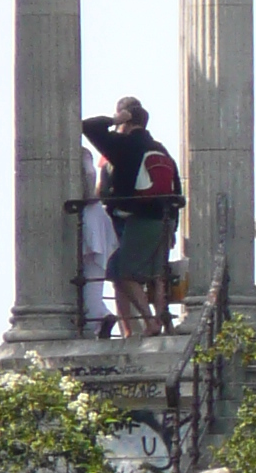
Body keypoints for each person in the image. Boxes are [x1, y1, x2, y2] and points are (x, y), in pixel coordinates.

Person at [80, 97, 182, 340]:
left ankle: (148, 323)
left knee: (120, 273)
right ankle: (160, 321)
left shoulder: (124, 145)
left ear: (126, 120)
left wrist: (116, 120)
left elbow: (88, 126)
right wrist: (174, 226)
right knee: (157, 276)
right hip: (164, 219)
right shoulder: (159, 148)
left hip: (137, 219)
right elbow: (176, 188)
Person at [77, 150, 116, 336]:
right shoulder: (83, 153)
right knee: (92, 276)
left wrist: (87, 193)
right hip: (96, 217)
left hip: (90, 217)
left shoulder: (80, 153)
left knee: (91, 275)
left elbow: (90, 174)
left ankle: (95, 321)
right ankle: (100, 315)